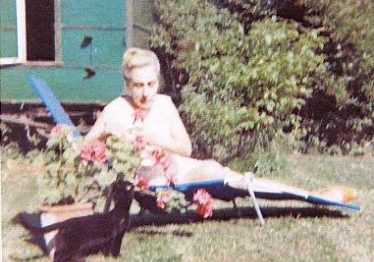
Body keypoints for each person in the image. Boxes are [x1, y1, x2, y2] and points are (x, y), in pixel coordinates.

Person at [85, 48, 356, 203]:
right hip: (147, 180)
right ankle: (310, 194)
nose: (145, 93)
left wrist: (157, 137)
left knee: (217, 170)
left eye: (150, 84)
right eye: (137, 85)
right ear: (127, 84)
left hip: (180, 172)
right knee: (216, 171)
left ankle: (307, 194)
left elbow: (186, 148)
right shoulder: (115, 109)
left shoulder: (165, 104)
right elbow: (82, 149)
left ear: (157, 81)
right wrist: (106, 132)